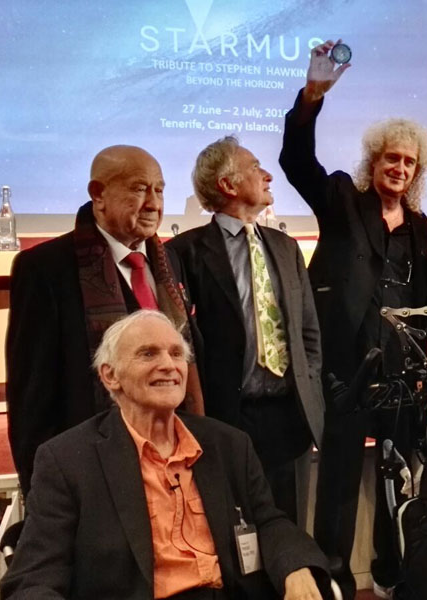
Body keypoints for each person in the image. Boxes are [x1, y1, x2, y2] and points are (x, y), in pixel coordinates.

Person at [0, 311, 329, 600]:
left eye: (176, 354)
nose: (169, 365)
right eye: (148, 354)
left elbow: (268, 521)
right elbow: (33, 578)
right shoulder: (67, 460)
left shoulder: (228, 444)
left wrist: (295, 567)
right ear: (110, 375)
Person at [279, 40, 427, 599]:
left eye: (408, 161)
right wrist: (312, 97)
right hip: (347, 365)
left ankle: (397, 569)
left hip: (398, 371)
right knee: (341, 478)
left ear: (417, 170)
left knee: (403, 475)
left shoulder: (419, 226)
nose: (399, 167)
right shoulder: (344, 196)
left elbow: (422, 293)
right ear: (375, 161)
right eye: (391, 157)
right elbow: (297, 163)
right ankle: (334, 576)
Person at [6, 145, 203, 496]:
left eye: (159, 190)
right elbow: (32, 394)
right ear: (98, 194)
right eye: (139, 188)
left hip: (175, 461)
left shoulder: (169, 260)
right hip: (91, 471)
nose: (154, 203)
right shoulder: (46, 268)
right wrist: (41, 491)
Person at [167, 137, 324, 526]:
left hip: (288, 416)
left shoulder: (286, 247)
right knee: (233, 528)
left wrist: (310, 386)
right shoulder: (184, 252)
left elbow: (308, 332)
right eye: (256, 167)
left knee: (287, 526)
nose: (268, 175)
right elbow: (183, 341)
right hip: (226, 417)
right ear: (228, 185)